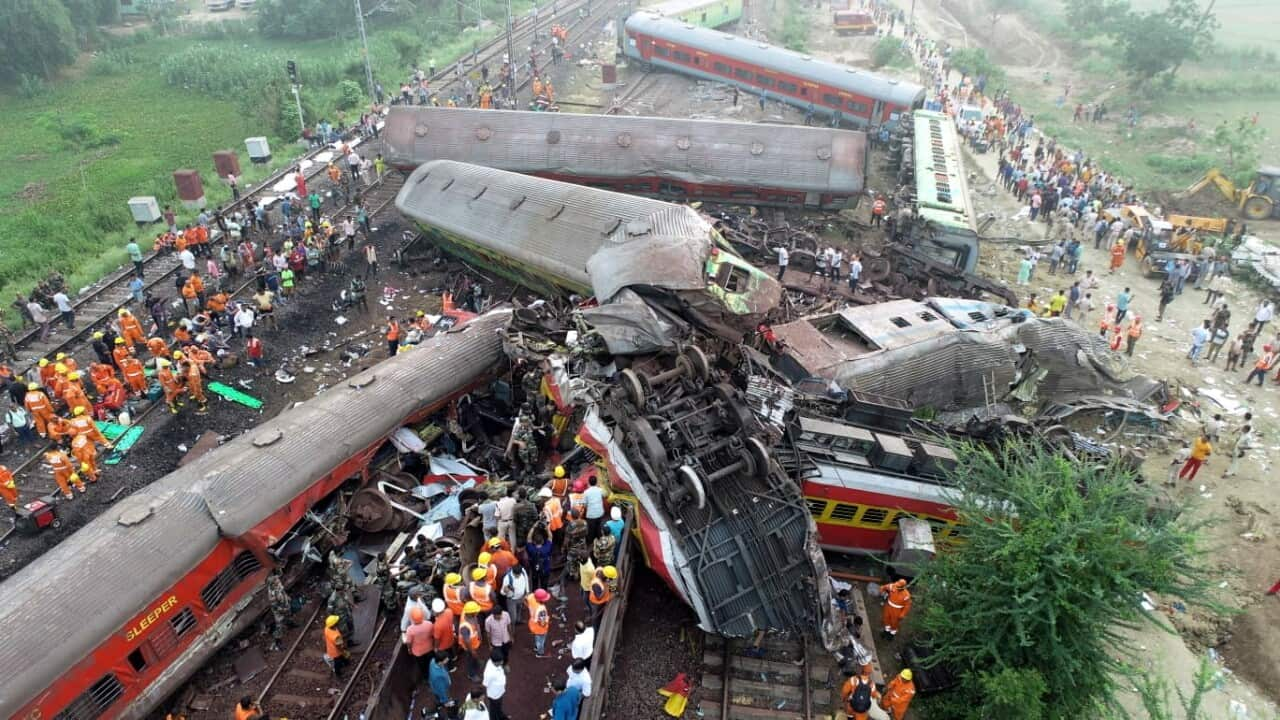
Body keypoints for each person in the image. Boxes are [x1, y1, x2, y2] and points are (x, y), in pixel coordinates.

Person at [403, 605, 435, 675]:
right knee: (432, 662)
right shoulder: (429, 624)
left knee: (423, 666)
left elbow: (409, 642)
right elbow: (433, 635)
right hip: (430, 648)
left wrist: (409, 649)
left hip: (418, 652)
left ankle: (426, 676)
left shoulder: (410, 630)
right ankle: (434, 673)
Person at [458, 601, 484, 681]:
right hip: (470, 647)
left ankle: (477, 662)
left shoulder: (470, 614)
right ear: (470, 613)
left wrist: (479, 636)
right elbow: (467, 641)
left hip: (475, 643)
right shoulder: (465, 626)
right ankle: (472, 674)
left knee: (474, 657)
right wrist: (472, 651)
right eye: (475, 612)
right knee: (470, 659)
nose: (477, 613)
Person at [483, 650, 509, 720]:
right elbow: (485, 684)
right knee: (493, 709)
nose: (502, 662)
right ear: (495, 662)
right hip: (494, 695)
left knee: (498, 707)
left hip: (499, 692)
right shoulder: (489, 672)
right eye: (500, 661)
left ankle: (500, 716)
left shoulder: (494, 661)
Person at [527, 587, 552, 657]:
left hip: (532, 623)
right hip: (540, 627)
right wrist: (546, 625)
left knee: (537, 637)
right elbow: (542, 623)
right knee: (541, 640)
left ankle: (536, 647)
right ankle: (539, 653)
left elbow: (527, 598)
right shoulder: (541, 609)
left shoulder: (531, 597)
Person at [582, 475, 606, 540]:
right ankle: (599, 539)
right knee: (598, 527)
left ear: (589, 483)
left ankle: (591, 541)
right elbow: (605, 494)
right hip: (600, 513)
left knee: (591, 530)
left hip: (591, 515)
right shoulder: (600, 490)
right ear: (596, 482)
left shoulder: (586, 492)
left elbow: (584, 505)